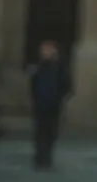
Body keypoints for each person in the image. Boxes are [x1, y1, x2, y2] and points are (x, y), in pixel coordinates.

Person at [29, 40, 71, 169]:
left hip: (53, 105)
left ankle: (46, 158)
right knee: (40, 131)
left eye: (47, 50)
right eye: (43, 50)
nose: (44, 52)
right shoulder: (38, 67)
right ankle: (40, 157)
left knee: (50, 132)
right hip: (40, 104)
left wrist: (57, 97)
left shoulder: (59, 67)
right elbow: (33, 85)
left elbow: (66, 85)